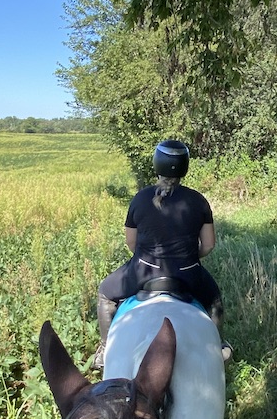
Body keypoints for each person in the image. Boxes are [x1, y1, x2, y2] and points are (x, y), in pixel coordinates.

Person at [94, 140, 231, 367]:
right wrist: (187, 258)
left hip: (143, 271)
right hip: (188, 273)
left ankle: (105, 349)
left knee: (105, 294)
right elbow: (208, 245)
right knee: (214, 301)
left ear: (157, 164)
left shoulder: (140, 198)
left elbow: (131, 242)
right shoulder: (199, 201)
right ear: (184, 166)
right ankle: (218, 348)